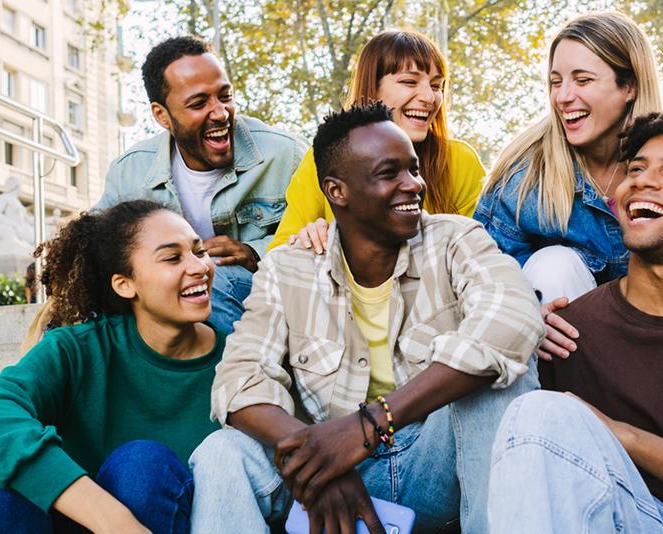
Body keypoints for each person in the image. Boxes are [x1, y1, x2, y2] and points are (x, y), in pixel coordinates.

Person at [189, 104, 544, 533]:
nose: (413, 185)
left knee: (499, 388)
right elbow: (239, 379)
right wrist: (321, 456)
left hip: (435, 466)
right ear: (337, 191)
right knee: (222, 452)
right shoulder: (288, 268)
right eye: (388, 173)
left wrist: (370, 424)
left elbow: (513, 321)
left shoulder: (456, 239)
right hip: (335, 475)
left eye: (412, 169)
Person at [488, 108, 663, 532]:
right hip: (620, 519)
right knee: (535, 411)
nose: (642, 180)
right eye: (635, 168)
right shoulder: (568, 331)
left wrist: (623, 437)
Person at [473, 11, 663, 360]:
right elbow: (481, 271)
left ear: (629, 86)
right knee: (553, 264)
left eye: (582, 80)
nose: (563, 97)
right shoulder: (526, 177)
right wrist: (524, 316)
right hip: (569, 354)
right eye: (556, 81)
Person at [0, 200, 225, 533]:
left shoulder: (240, 360)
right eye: (173, 257)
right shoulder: (77, 349)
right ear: (125, 284)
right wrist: (111, 519)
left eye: (200, 251)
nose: (199, 267)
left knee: (142, 466)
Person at [96, 36, 307, 334]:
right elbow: (93, 246)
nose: (220, 113)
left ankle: (236, 379)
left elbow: (332, 233)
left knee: (211, 278)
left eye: (225, 96)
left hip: (265, 296)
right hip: (166, 305)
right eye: (199, 103)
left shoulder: (286, 154)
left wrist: (255, 251)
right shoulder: (129, 172)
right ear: (162, 115)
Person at [267, 29, 485, 253]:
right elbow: (278, 254)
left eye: (436, 85)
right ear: (373, 89)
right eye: (409, 82)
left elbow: (480, 250)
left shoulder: (459, 160)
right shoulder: (324, 159)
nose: (429, 98)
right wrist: (306, 240)